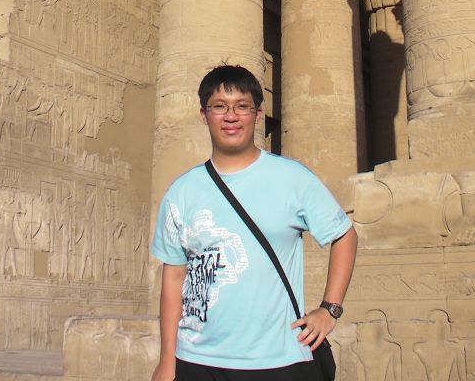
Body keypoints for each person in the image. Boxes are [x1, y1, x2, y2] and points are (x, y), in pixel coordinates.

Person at [151, 64, 358, 381]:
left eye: (242, 106)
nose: (231, 116)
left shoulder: (292, 179)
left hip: (279, 358)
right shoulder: (181, 192)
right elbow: (174, 278)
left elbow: (344, 235)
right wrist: (167, 361)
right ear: (204, 115)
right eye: (219, 106)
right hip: (197, 359)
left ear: (257, 114)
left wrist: (330, 309)